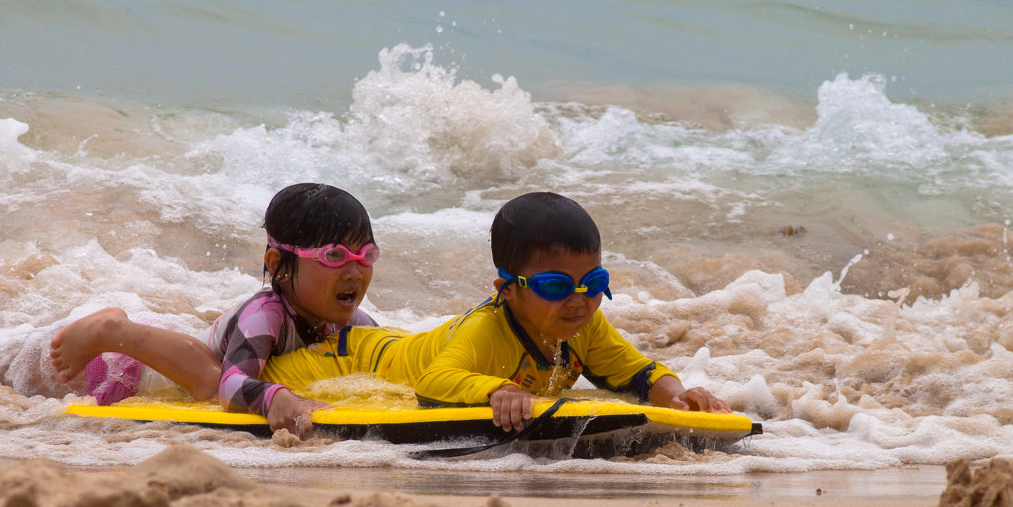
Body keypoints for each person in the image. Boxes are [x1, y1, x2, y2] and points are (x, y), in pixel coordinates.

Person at [259, 191, 729, 431]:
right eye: (555, 285)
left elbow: (637, 372)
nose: (580, 298)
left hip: (399, 348)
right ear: (507, 289)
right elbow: (432, 383)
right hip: (352, 357)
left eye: (594, 283)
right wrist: (495, 391)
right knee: (254, 374)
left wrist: (677, 394)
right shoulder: (486, 329)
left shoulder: (585, 322)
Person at [49, 183, 378, 433]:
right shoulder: (267, 313)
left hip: (183, 347)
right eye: (335, 256)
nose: (355, 270)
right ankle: (110, 330)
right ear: (278, 265)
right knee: (213, 384)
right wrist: (274, 397)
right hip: (137, 368)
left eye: (366, 255)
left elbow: (390, 357)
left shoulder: (355, 324)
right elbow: (231, 386)